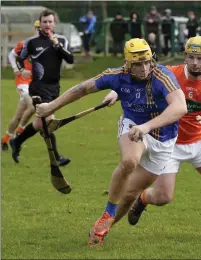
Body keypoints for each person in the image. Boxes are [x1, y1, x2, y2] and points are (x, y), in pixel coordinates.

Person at [35, 38, 187, 246]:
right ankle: (108, 214)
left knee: (130, 194)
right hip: (133, 125)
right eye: (137, 64)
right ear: (127, 63)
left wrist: (147, 127)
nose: (143, 68)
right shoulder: (116, 76)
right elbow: (82, 89)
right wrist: (51, 107)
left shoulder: (162, 76)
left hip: (164, 139)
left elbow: (180, 107)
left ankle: (103, 228)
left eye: (147, 62)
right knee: (130, 161)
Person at [104, 36, 201, 240]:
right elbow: (137, 77)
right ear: (185, 56)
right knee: (163, 197)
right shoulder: (169, 74)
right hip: (169, 142)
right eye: (191, 57)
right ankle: (142, 199)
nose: (195, 62)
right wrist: (115, 92)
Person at [10, 9, 74, 166]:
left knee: (40, 124)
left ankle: (16, 141)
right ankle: (57, 158)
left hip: (54, 88)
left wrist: (57, 45)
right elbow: (19, 57)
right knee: (48, 122)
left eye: (50, 21)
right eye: (44, 22)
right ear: (40, 23)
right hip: (38, 87)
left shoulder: (61, 40)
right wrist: (21, 69)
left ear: (54, 23)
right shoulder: (32, 42)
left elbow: (70, 59)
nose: (47, 24)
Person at [1, 20, 41, 151]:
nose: (40, 30)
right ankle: (20, 132)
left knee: (18, 115)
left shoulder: (45, 47)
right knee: (33, 105)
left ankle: (5, 139)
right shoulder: (25, 43)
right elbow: (12, 55)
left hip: (34, 83)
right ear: (34, 29)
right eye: (38, 28)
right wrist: (15, 68)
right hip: (23, 83)